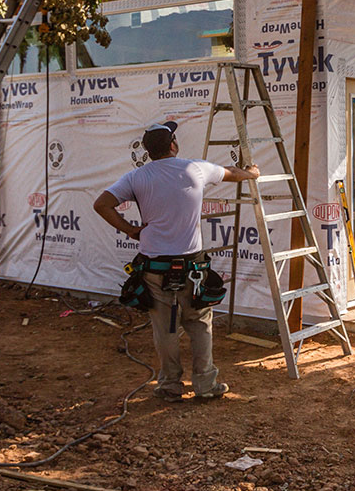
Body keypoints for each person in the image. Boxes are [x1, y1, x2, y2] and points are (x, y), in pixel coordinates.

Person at [93, 120, 260, 401]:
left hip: (155, 266)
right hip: (192, 266)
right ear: (173, 145)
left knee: (166, 328)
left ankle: (170, 385)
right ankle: (205, 385)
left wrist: (131, 230)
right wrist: (251, 173)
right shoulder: (194, 168)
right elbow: (231, 173)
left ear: (148, 151)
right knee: (199, 323)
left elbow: (101, 204)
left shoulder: (137, 177)